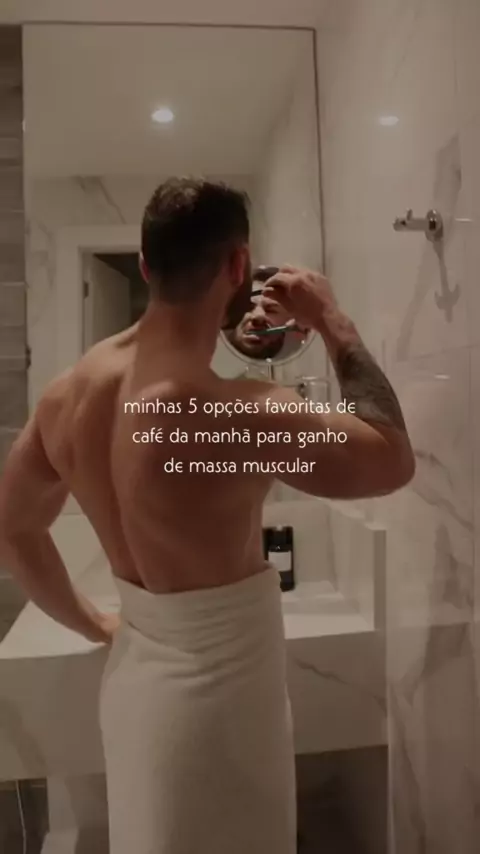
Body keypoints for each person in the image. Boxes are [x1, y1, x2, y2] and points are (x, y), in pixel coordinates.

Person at [0, 178, 414, 854]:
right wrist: (332, 320)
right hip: (219, 710)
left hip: (135, 689)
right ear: (238, 264)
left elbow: (13, 531)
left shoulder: (65, 397)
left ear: (144, 265)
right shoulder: (232, 411)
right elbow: (391, 459)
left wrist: (97, 624)